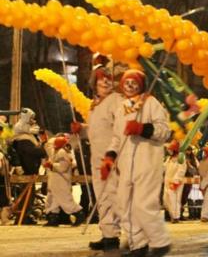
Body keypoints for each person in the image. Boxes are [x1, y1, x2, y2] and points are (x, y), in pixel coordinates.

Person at [102, 69, 172, 257]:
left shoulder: (151, 103)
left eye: (134, 82)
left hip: (147, 163)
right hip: (125, 166)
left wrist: (143, 128)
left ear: (141, 84)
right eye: (127, 82)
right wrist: (110, 156)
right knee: (125, 205)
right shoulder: (121, 108)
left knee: (143, 205)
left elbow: (164, 131)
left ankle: (160, 242)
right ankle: (137, 245)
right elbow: (117, 138)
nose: (130, 86)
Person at [72, 62, 123, 251]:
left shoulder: (116, 100)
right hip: (96, 159)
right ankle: (108, 234)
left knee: (113, 196)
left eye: (108, 79)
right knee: (102, 197)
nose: (105, 82)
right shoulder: (94, 105)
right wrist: (82, 130)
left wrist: (113, 154)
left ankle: (130, 234)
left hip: (111, 158)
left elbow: (119, 128)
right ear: (94, 82)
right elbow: (97, 130)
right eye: (101, 79)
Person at [9, 108, 48, 225]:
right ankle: (23, 217)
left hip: (30, 170)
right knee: (26, 195)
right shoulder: (23, 139)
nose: (33, 121)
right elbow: (34, 152)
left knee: (29, 195)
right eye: (31, 118)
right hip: (27, 170)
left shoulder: (28, 136)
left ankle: (27, 215)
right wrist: (44, 148)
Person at [43, 135, 85, 226]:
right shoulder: (56, 151)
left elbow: (64, 166)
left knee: (65, 199)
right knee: (53, 199)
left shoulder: (63, 152)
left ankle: (79, 213)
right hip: (55, 179)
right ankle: (53, 218)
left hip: (61, 180)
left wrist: (52, 165)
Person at [163, 140, 186, 223]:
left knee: (174, 200)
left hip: (175, 183)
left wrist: (176, 181)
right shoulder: (169, 158)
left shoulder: (181, 157)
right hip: (167, 182)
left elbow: (181, 170)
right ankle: (172, 215)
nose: (169, 151)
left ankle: (176, 217)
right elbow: (164, 167)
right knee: (166, 200)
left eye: (171, 149)